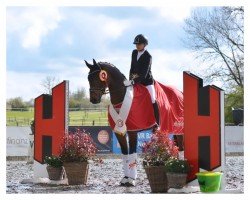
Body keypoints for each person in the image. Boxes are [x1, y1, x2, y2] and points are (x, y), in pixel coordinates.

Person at [124, 34, 160, 130]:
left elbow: (144, 73)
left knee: (153, 99)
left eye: (139, 44)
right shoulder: (134, 53)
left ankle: (157, 123)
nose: (137, 46)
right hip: (135, 81)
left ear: (144, 44)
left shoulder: (148, 56)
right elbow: (131, 68)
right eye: (136, 44)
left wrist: (132, 81)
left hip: (147, 82)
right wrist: (130, 80)